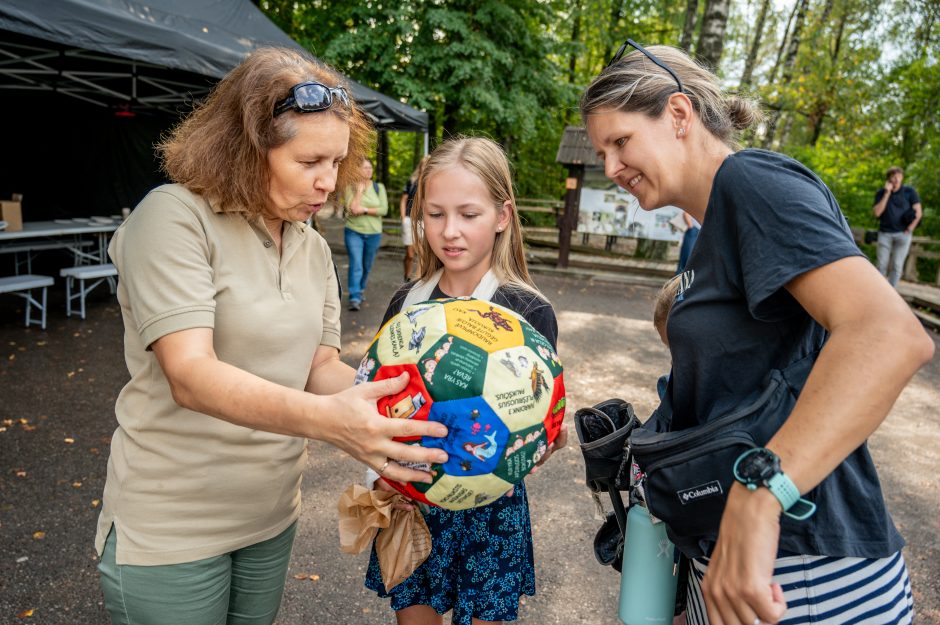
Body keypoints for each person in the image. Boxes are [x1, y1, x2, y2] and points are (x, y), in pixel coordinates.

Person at [94, 47, 449, 625]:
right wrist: (337, 424)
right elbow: (190, 374)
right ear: (247, 147)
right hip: (171, 527)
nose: (327, 182)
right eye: (310, 160)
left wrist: (422, 403)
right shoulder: (172, 217)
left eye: (337, 162)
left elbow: (321, 370)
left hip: (269, 519)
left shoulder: (309, 246)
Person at [582, 41, 933, 625]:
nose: (611, 168)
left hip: (803, 569)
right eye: (601, 153)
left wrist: (760, 492)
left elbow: (889, 335)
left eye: (620, 142)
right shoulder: (707, 229)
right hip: (730, 565)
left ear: (677, 114)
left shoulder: (750, 180)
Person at [364, 137, 567, 625]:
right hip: (412, 500)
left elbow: (547, 423)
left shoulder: (528, 312)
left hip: (492, 510)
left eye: (468, 214)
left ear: (502, 215)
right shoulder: (407, 306)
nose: (449, 231)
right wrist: (378, 468)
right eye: (435, 214)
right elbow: (373, 400)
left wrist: (543, 441)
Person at [344, 156, 389, 310]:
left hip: (374, 233)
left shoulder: (379, 187)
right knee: (356, 264)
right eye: (365, 168)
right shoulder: (350, 187)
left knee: (366, 265)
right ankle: (354, 297)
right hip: (354, 232)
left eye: (370, 168)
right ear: (358, 170)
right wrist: (359, 192)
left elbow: (384, 209)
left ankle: (361, 288)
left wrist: (363, 209)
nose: (369, 171)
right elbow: (351, 209)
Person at [873, 166, 923, 287]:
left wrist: (910, 229)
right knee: (881, 265)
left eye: (899, 176)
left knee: (897, 265)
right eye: (893, 176)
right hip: (885, 233)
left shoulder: (909, 192)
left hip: (903, 234)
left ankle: (891, 291)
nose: (896, 179)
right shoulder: (881, 193)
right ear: (888, 178)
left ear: (902, 177)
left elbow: (918, 212)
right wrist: (887, 193)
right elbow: (877, 213)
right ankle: (878, 291)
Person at [400, 156, 429, 282]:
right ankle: (406, 276)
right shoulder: (412, 181)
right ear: (421, 166)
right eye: (424, 164)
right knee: (410, 254)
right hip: (409, 220)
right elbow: (403, 200)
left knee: (423, 253)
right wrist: (403, 218)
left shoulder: (433, 183)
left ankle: (418, 280)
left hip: (424, 221)